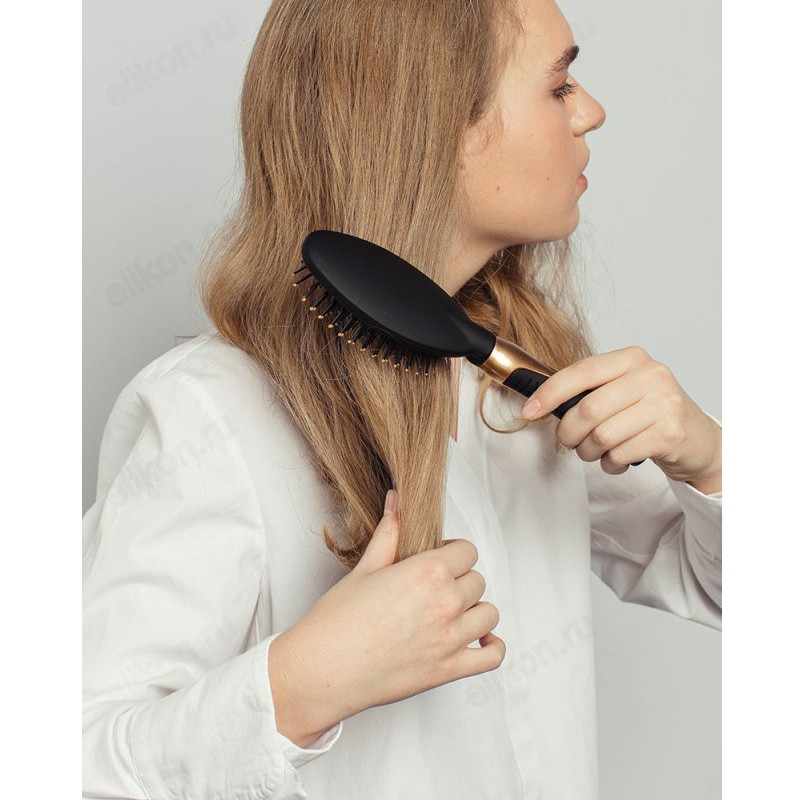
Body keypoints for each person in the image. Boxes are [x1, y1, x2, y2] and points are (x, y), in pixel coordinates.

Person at [82, 0, 722, 798]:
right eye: (558, 86)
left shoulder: (519, 386)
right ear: (438, 123)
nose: (591, 111)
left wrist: (711, 463)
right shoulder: (211, 414)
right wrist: (300, 686)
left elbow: (722, 588)